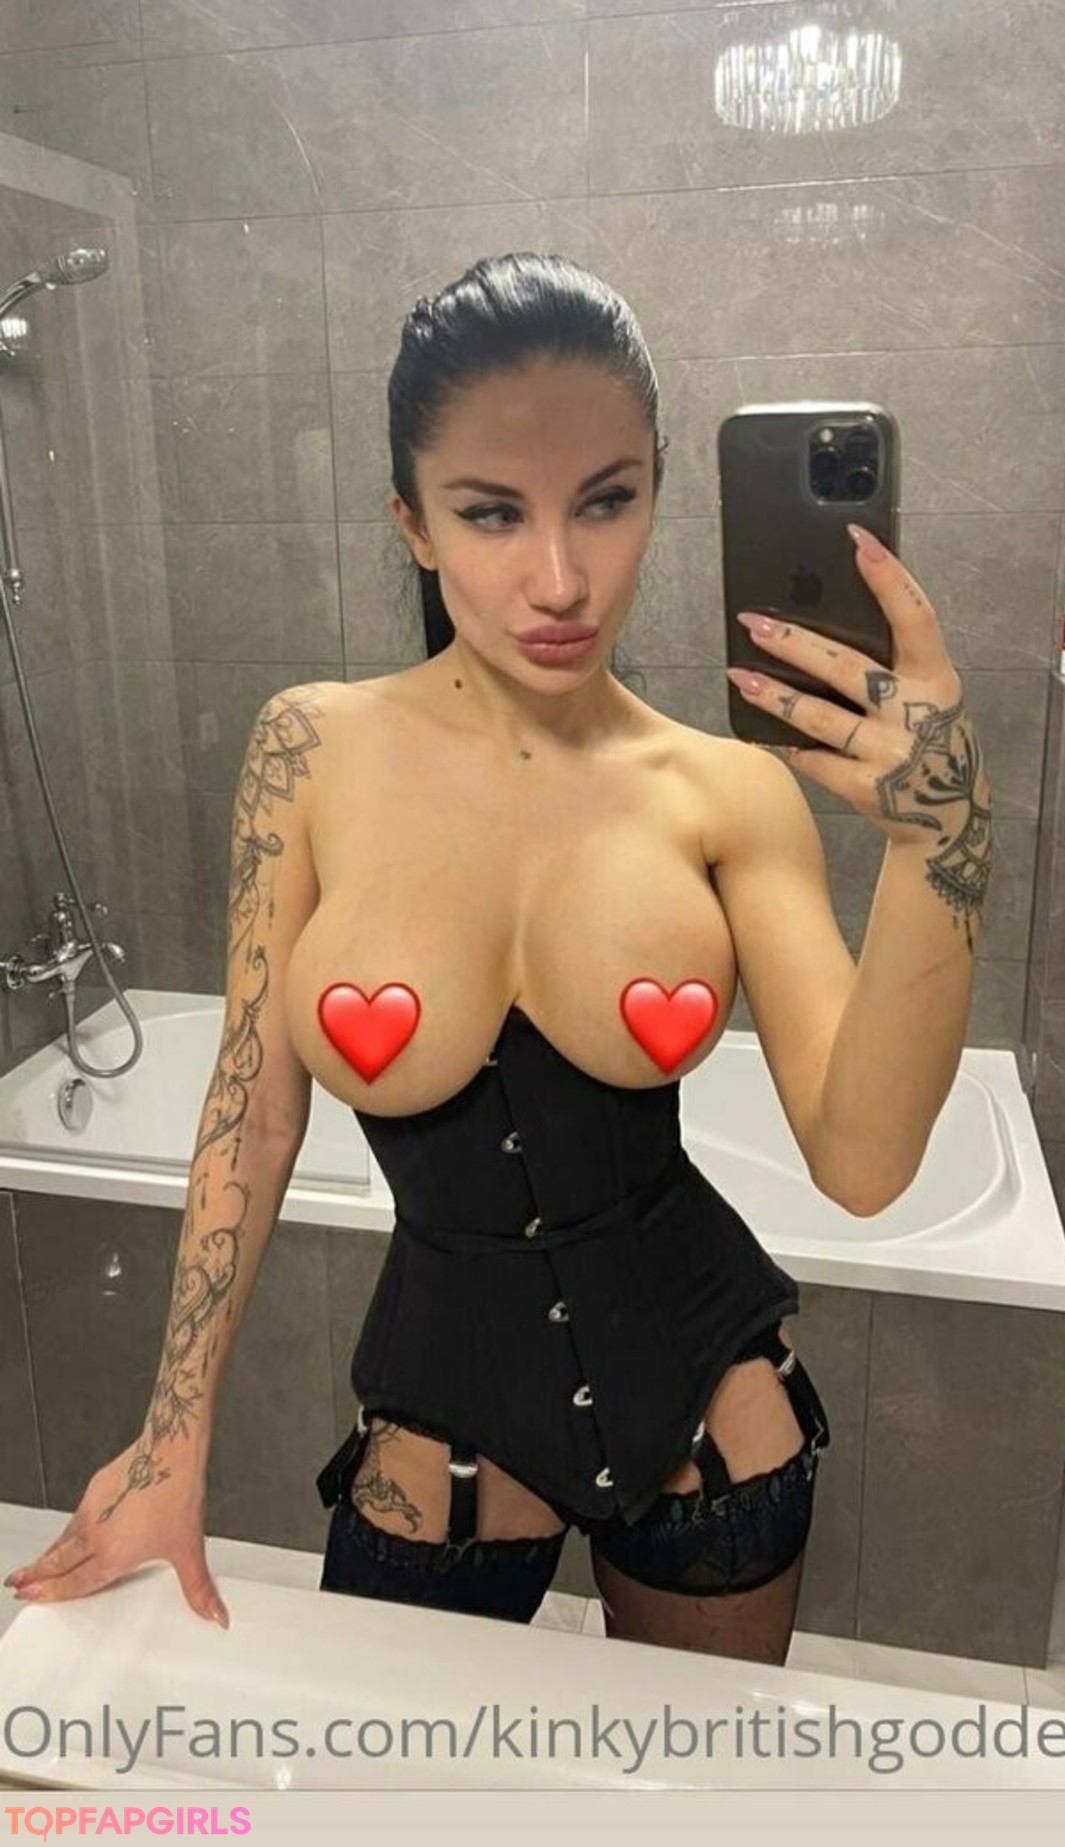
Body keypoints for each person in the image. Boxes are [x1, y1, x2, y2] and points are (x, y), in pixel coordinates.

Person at [3, 252, 990, 1668]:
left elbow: (865, 1162)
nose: (561, 579)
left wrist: (944, 843)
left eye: (607, 500)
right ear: (411, 522)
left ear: (659, 490)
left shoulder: (728, 790)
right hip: (440, 1444)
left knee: (696, 1791)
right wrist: (172, 1438)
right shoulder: (309, 750)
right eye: (490, 512)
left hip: (719, 1429)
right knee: (411, 1781)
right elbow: (252, 1114)